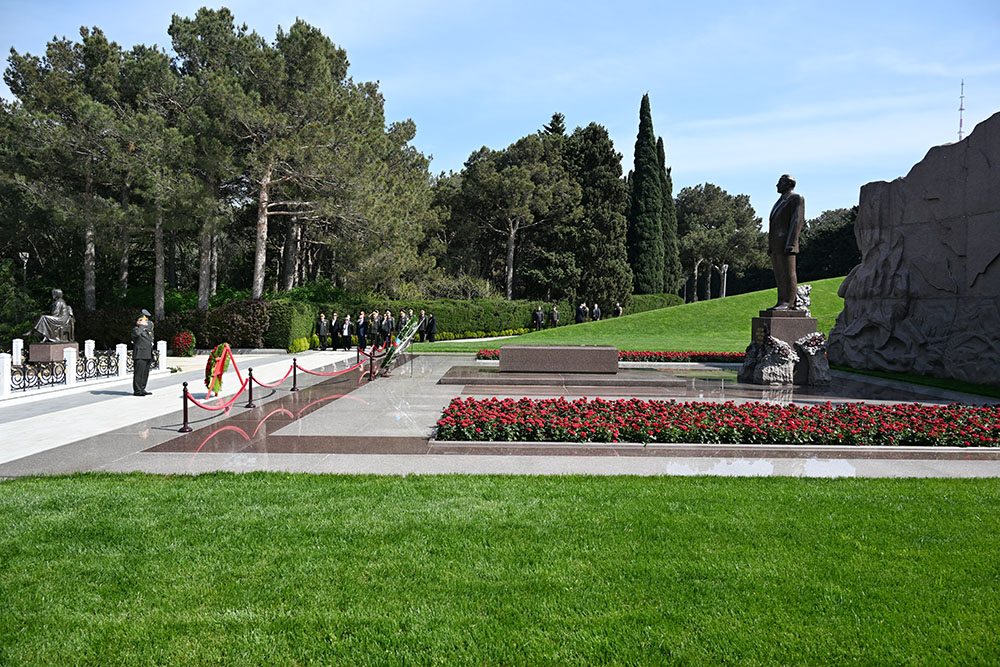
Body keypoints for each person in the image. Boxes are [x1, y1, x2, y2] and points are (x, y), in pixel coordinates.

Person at [768, 174, 806, 310]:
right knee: (779, 273)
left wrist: (791, 242)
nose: (777, 185)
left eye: (780, 182)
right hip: (776, 243)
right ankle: (781, 300)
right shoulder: (779, 201)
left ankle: (789, 302)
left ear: (789, 184)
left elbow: (797, 221)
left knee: (788, 272)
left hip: (786, 242)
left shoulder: (796, 198)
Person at [131, 310, 154, 396]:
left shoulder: (146, 331)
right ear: (138, 322)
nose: (146, 322)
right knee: (139, 374)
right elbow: (137, 334)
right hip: (140, 355)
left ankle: (142, 388)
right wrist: (141, 326)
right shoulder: (136, 330)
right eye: (144, 320)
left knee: (145, 374)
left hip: (147, 354)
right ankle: (137, 390)